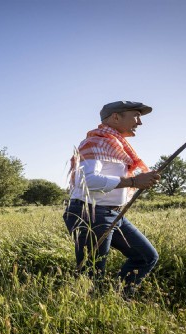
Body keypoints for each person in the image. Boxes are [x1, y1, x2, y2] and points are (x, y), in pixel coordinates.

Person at [63, 101, 161, 297]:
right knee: (92, 274)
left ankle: (118, 298)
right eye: (135, 115)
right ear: (116, 117)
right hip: (89, 212)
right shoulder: (97, 142)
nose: (139, 122)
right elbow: (86, 181)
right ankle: (91, 313)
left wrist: (142, 180)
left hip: (111, 212)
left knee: (146, 256)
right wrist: (134, 180)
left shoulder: (115, 146)